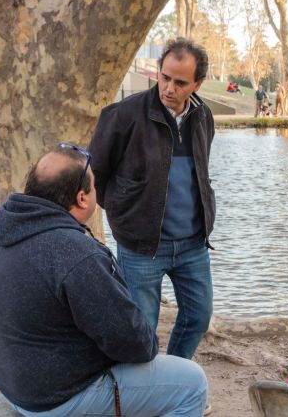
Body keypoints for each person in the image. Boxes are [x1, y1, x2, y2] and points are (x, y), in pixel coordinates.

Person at [0, 145, 208, 417]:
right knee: (191, 383)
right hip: (55, 398)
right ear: (81, 198)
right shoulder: (76, 254)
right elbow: (136, 345)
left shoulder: (1, 235)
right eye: (95, 188)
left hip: (13, 385)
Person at [89, 38, 216, 363]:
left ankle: (177, 376)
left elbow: (199, 173)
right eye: (165, 77)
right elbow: (96, 176)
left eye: (180, 82)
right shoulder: (123, 116)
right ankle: (147, 391)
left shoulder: (203, 117)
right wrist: (124, 214)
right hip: (141, 247)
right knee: (142, 329)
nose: (169, 87)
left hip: (192, 245)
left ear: (197, 84)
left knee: (199, 317)